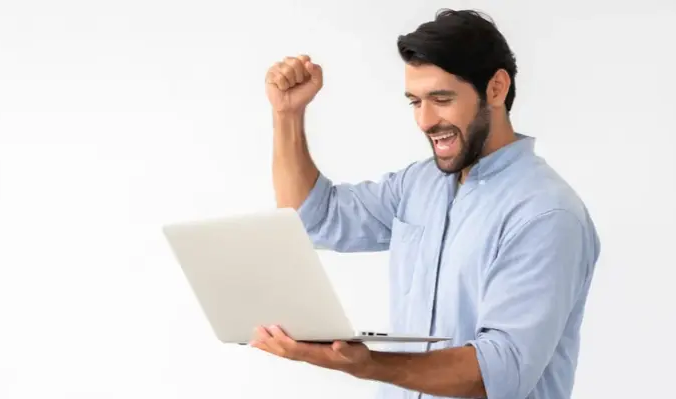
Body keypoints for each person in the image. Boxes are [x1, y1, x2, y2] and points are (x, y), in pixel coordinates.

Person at [249, 8, 601, 399]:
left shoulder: (545, 214)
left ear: (497, 88)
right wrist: (287, 114)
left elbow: (499, 372)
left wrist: (369, 365)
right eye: (415, 101)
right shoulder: (420, 185)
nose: (425, 120)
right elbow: (313, 217)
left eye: (441, 98)